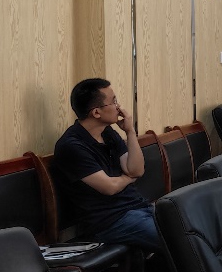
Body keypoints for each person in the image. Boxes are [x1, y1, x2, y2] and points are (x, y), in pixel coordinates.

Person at [50, 78, 158, 251]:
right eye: (113, 101)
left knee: (190, 226)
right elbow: (109, 187)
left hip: (138, 207)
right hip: (110, 222)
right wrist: (128, 178)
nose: (118, 107)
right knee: (178, 238)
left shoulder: (108, 133)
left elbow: (136, 170)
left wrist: (130, 132)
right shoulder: (71, 146)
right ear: (96, 113)